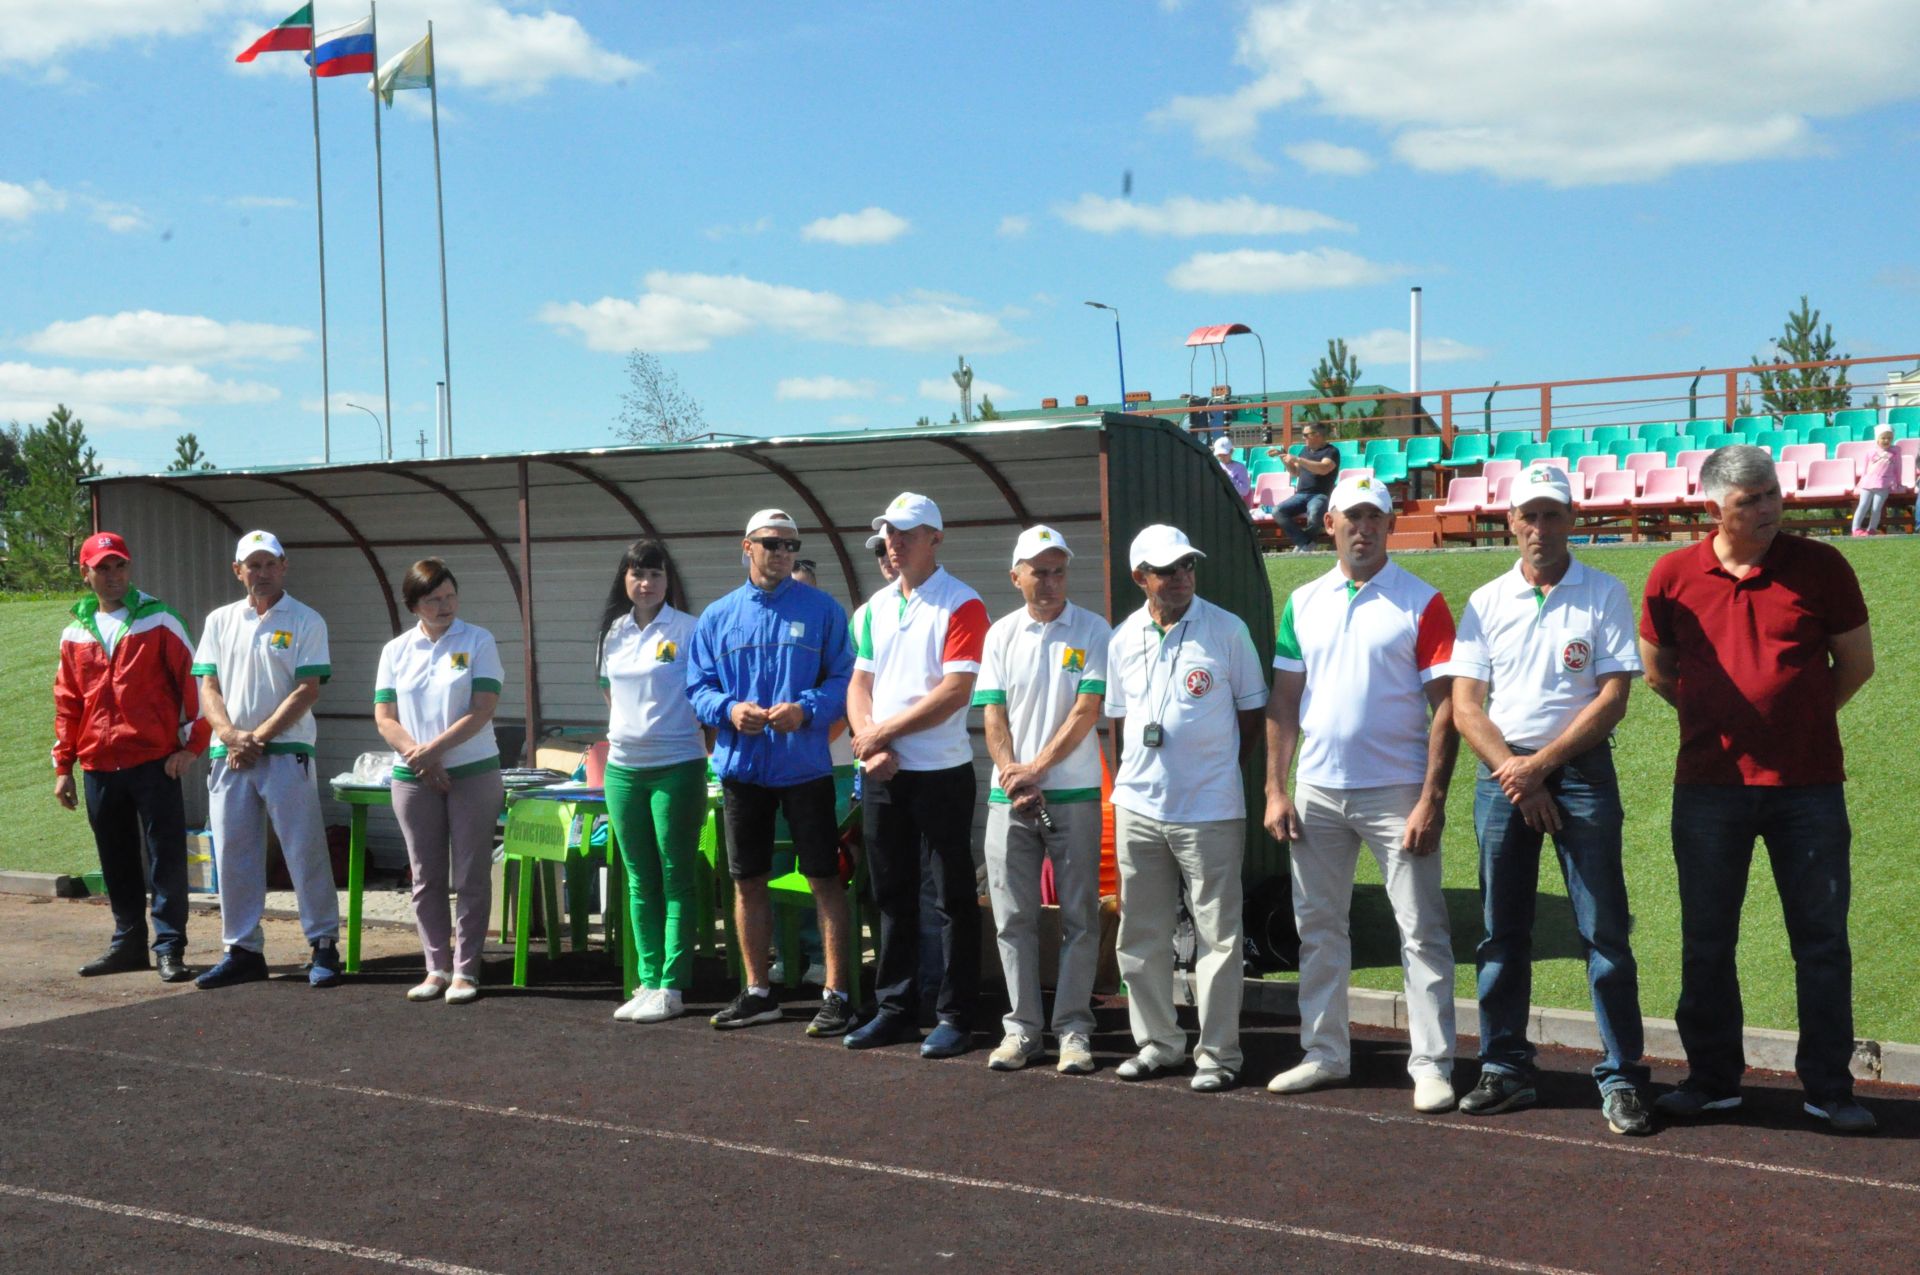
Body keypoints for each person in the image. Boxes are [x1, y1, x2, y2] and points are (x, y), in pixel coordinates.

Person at [1639, 444, 1877, 1134]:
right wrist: (1721, 722)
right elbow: (1658, 670)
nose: (1770, 507)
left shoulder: (1823, 567)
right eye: (1751, 500)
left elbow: (1856, 665)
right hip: (1710, 789)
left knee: (1822, 940)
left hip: (1809, 790)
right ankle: (1713, 1081)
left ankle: (1830, 1087)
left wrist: (1794, 723)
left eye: (1773, 493)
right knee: (1707, 941)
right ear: (1714, 505)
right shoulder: (1673, 573)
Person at [1448, 467, 1652, 1135]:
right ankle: (1505, 1067)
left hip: (1578, 772)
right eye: (1529, 515)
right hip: (1503, 776)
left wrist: (1540, 766)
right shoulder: (1484, 599)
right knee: (1500, 931)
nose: (1540, 528)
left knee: (1605, 931)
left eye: (1553, 515)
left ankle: (1622, 1075)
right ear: (1511, 522)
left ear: (1573, 519)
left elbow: (1613, 698)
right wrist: (1517, 771)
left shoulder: (1604, 592)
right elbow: (1464, 705)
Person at [1264, 476, 1460, 1113]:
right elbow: (1285, 705)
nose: (1363, 528)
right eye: (1353, 516)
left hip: (1398, 794)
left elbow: (1447, 709)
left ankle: (1431, 1064)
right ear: (1331, 523)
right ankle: (1324, 1054)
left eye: (1375, 517)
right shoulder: (1303, 601)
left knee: (1422, 931)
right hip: (1317, 792)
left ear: (1389, 524)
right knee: (1319, 928)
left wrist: (1431, 798)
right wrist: (1276, 788)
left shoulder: (1422, 601)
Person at [1104, 524, 1267, 1092]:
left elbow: (1251, 718)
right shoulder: (1123, 637)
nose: (1179, 579)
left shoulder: (1227, 629)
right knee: (1140, 933)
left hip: (1211, 810)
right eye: (1166, 570)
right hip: (1139, 808)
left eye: (1186, 568)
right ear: (1139, 578)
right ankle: (1158, 1044)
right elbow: (1119, 723)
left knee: (1218, 936)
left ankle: (1218, 1054)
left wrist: (1217, 772)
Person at [689, 510, 857, 1037]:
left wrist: (806, 709)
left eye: (790, 545)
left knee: (824, 879)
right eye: (772, 543)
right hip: (742, 770)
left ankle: (836, 993)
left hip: (805, 768)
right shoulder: (717, 616)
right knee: (747, 881)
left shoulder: (823, 610)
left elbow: (846, 678)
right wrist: (727, 709)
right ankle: (759, 991)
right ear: (747, 547)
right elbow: (697, 686)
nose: (782, 553)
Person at [844, 492, 990, 1057]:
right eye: (888, 534)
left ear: (937, 538)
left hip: (940, 775)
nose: (894, 542)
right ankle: (895, 1009)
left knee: (952, 897)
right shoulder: (875, 607)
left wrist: (882, 734)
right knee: (892, 894)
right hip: (883, 772)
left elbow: (955, 692)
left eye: (906, 533)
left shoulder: (963, 603)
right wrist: (868, 745)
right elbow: (858, 685)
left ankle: (955, 1015)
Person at [975, 525, 1110, 1075]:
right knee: (1012, 917)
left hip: (1073, 793)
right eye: (1039, 571)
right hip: (1009, 797)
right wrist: (1013, 772)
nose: (1051, 581)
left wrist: (1036, 768)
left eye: (1058, 571)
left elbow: (1086, 711)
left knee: (1080, 916)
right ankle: (1023, 1028)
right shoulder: (1000, 634)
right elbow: (992, 711)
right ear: (1016, 577)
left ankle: (1074, 1029)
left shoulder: (1094, 629)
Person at [52, 531, 210, 984]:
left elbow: (197, 686)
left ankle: (169, 948)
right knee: (116, 859)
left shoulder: (160, 618)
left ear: (130, 567)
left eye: (120, 565)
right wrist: (64, 767)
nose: (114, 575)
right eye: (103, 567)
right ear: (86, 574)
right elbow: (68, 702)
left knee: (166, 858)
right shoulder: (74, 631)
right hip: (99, 766)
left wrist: (191, 747)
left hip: (155, 762)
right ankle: (127, 944)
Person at [191, 530, 342, 989]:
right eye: (251, 565)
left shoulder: (306, 619)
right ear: (237, 572)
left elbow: (307, 689)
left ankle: (324, 946)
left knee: (303, 850)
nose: (261, 572)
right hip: (229, 754)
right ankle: (241, 950)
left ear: (284, 565)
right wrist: (231, 736)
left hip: (285, 752)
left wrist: (255, 737)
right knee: (233, 853)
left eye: (269, 563)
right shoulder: (219, 621)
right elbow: (208, 686)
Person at [373, 559, 504, 1007]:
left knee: (470, 874)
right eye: (434, 599)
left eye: (450, 596)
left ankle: (467, 969)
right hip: (413, 777)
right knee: (425, 876)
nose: (445, 605)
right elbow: (385, 717)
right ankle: (435, 967)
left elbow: (482, 707)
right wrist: (418, 757)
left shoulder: (478, 640)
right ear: (414, 605)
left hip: (472, 772)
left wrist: (434, 752)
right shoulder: (396, 651)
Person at [594, 539, 710, 1024]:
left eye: (655, 575)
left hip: (678, 765)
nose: (646, 584)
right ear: (624, 579)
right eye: (637, 574)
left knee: (674, 873)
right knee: (639, 878)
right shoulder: (611, 634)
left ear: (669, 581)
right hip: (623, 769)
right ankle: (646, 980)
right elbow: (609, 693)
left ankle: (672, 985)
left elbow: (705, 696)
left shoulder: (689, 629)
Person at [1269, 421, 1339, 552]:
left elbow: (1324, 468)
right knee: (1277, 511)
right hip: (1301, 495)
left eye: (1306, 435)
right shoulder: (1304, 451)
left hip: (1320, 494)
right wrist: (1282, 457)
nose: (1303, 438)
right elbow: (1295, 472)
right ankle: (1305, 542)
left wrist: (1298, 459)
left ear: (1317, 435)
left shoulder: (1331, 451)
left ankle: (1304, 544)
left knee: (1315, 513)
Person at [1850, 425, 1897, 536]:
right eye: (1883, 438)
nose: (1886, 440)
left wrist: (1897, 482)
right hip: (1867, 484)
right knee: (1863, 505)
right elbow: (1865, 470)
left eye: (1889, 438)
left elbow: (1898, 469)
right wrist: (1860, 483)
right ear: (1877, 438)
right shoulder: (1871, 452)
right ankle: (1855, 529)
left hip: (1883, 484)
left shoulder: (1895, 452)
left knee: (1876, 508)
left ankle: (1872, 529)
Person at [1212, 436, 1251, 500]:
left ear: (1231, 451)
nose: (1221, 457)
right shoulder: (1214, 466)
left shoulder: (1240, 468)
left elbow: (1245, 491)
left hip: (1234, 502)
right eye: (1219, 455)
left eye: (1224, 454)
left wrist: (1229, 478)